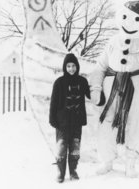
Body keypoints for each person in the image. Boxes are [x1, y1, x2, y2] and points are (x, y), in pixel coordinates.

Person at [90, 0, 139, 178]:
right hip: (112, 93)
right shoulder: (112, 44)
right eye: (125, 17)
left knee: (137, 125)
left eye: (136, 19)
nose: (129, 23)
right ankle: (107, 160)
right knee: (106, 123)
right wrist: (95, 89)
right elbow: (99, 67)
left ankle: (130, 162)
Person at [49, 53, 90, 183]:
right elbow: (53, 103)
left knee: (75, 148)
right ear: (65, 67)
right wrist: (52, 119)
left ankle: (73, 172)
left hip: (76, 122)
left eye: (73, 66)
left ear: (77, 66)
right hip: (62, 122)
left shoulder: (82, 82)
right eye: (68, 66)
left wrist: (100, 97)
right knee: (61, 148)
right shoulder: (59, 82)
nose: (71, 68)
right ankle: (61, 173)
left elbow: (91, 95)